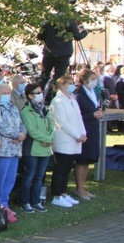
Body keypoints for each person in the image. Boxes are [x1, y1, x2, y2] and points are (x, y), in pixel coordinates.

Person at [48, 75, 86, 208]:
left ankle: (64, 193)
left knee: (68, 167)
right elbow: (62, 122)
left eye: (73, 83)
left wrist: (83, 133)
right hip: (64, 138)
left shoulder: (72, 99)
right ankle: (56, 195)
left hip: (75, 139)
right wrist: (76, 135)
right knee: (61, 168)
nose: (72, 86)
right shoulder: (57, 101)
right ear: (62, 85)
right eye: (69, 83)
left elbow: (79, 117)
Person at [0, 83, 26, 220]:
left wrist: (23, 134)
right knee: (0, 178)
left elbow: (22, 124)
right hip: (3, 150)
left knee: (10, 179)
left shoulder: (14, 108)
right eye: (4, 93)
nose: (7, 95)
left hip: (15, 149)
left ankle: (5, 202)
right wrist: (17, 134)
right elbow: (1, 126)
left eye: (8, 93)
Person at [38, 12, 88, 102]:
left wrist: (50, 39)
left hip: (49, 53)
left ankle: (38, 96)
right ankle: (52, 97)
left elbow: (40, 36)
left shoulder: (48, 21)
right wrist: (84, 32)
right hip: (63, 54)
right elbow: (77, 36)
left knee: (44, 76)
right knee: (58, 77)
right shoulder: (69, 21)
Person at [19, 83, 53, 213]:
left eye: (41, 92)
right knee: (29, 176)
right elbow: (31, 130)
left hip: (45, 148)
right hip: (32, 149)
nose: (40, 95)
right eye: (37, 93)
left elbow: (51, 125)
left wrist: (49, 138)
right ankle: (25, 202)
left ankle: (36, 201)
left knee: (39, 177)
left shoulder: (43, 109)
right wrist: (46, 139)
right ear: (30, 95)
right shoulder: (26, 111)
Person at [74, 69, 104, 200]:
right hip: (84, 129)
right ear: (84, 80)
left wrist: (99, 112)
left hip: (92, 128)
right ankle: (79, 188)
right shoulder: (79, 94)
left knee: (88, 160)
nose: (95, 82)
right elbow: (77, 115)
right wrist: (92, 115)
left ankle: (82, 186)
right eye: (92, 79)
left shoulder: (93, 93)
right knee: (82, 159)